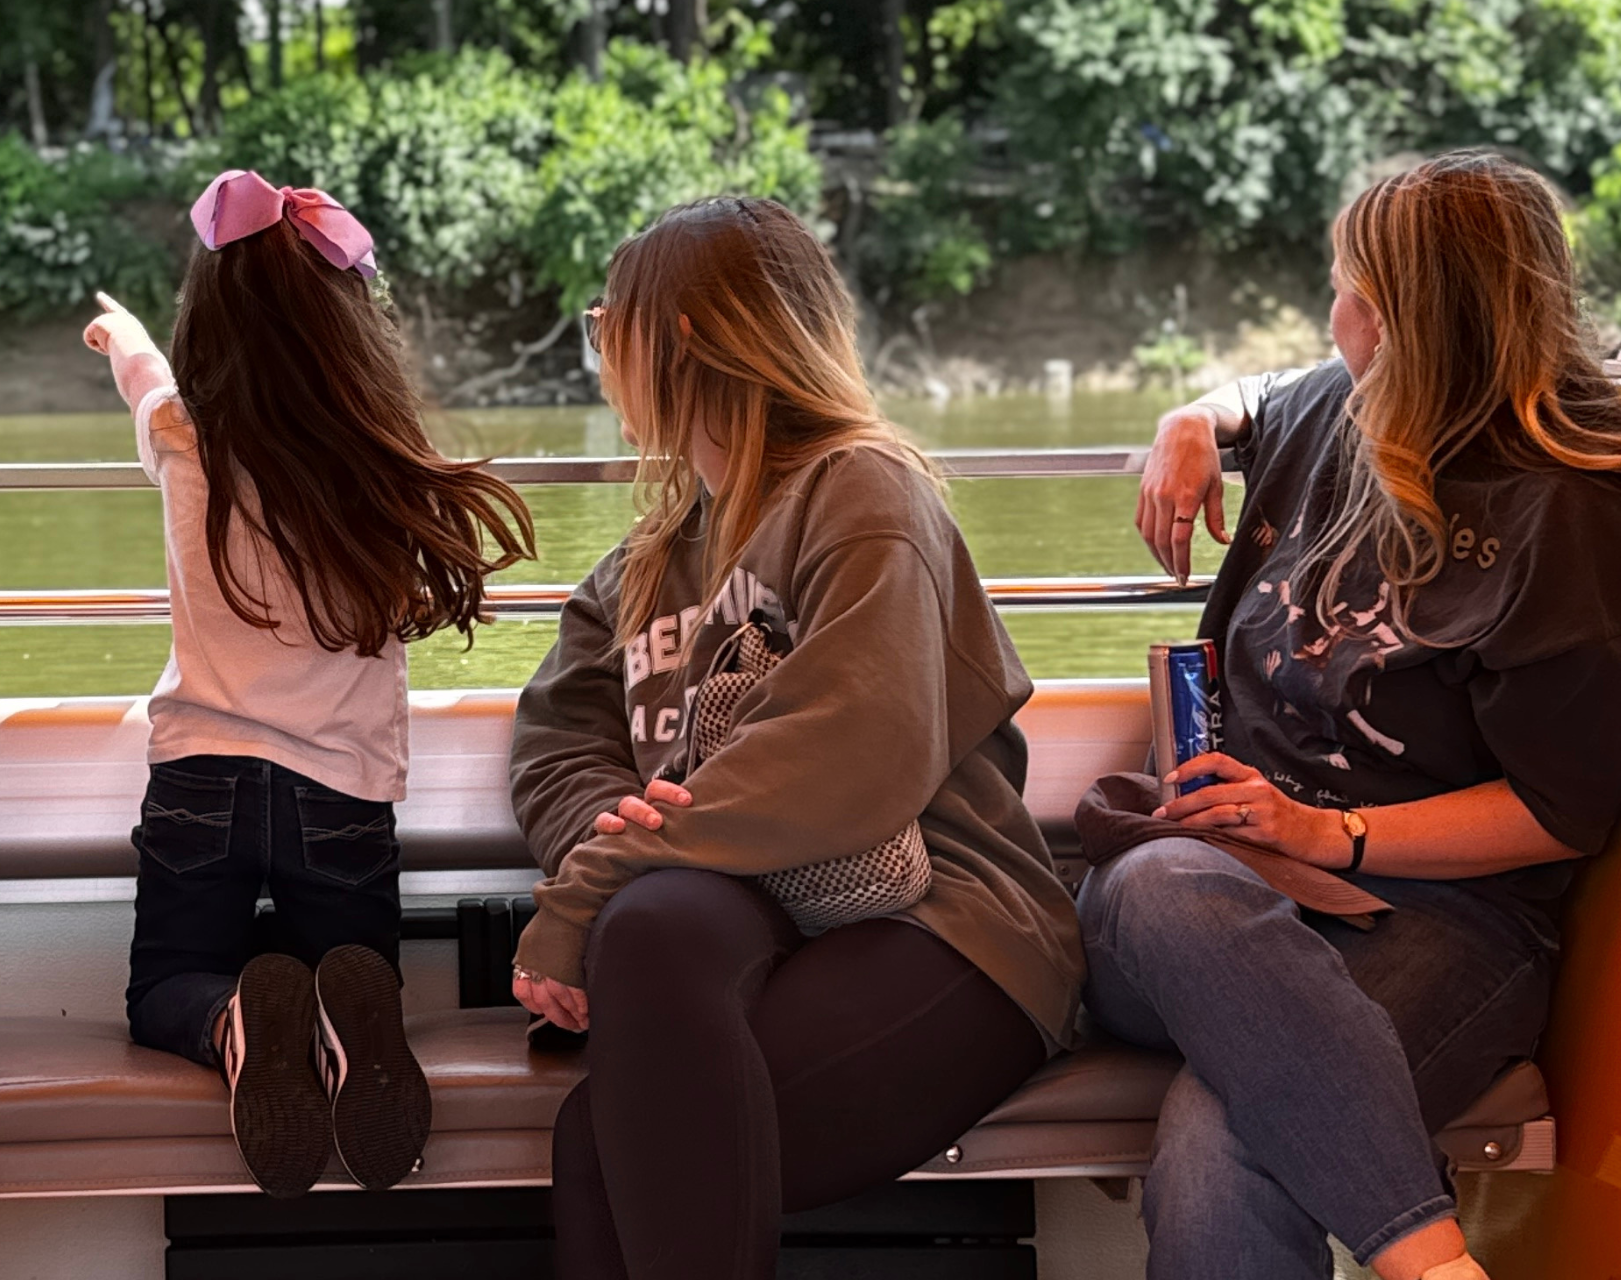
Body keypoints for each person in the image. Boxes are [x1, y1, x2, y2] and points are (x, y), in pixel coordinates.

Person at [504, 195, 1084, 1277]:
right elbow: (555, 738)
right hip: (747, 914)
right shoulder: (641, 564)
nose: (599, 348)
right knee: (652, 931)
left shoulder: (861, 490)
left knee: (610, 1127)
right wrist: (607, 824)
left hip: (945, 925)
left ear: (677, 335)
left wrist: (594, 879)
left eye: (606, 322)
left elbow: (849, 746)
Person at [1095, 151, 1621, 1280]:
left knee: (1219, 1140)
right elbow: (1259, 392)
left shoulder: (1561, 508)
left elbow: (1560, 809)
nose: (1331, 313)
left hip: (1440, 916)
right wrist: (1194, 413)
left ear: (1395, 323)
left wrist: (1325, 834)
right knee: (1153, 879)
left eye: (1346, 289)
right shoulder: (1335, 404)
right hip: (1209, 899)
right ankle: (1433, 1262)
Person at [81, 169, 536, 1197]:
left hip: (201, 776)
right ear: (350, 325)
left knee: (162, 987)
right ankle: (336, 1022)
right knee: (349, 965)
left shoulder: (185, 435)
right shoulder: (380, 457)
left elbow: (147, 375)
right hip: (340, 788)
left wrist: (121, 337)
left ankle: (230, 1018)